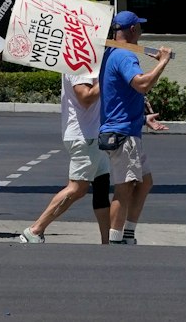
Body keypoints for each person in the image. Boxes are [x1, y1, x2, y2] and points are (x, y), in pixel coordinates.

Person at [18, 58, 113, 244]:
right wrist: (108, 78)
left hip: (93, 134)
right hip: (85, 136)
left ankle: (107, 242)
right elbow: (85, 97)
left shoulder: (89, 60)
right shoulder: (80, 61)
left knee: (101, 187)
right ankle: (35, 230)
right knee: (77, 188)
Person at [99, 11, 174, 245]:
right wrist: (162, 62)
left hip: (127, 129)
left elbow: (121, 96)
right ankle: (115, 239)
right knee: (125, 187)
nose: (141, 31)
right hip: (122, 133)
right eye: (139, 27)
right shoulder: (124, 55)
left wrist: (143, 118)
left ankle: (127, 233)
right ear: (132, 29)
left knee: (144, 182)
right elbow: (141, 85)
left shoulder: (112, 53)